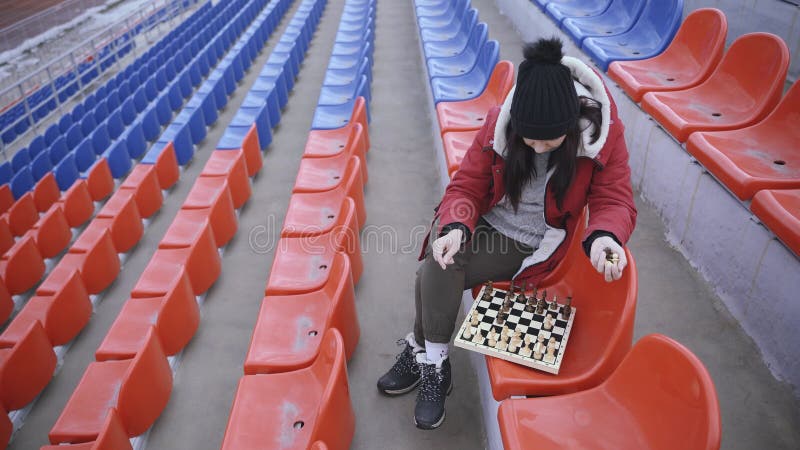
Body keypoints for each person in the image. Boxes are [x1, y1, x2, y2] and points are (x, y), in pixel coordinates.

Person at [377, 37, 637, 430]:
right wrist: (454, 226)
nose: (536, 148)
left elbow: (614, 199)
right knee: (440, 256)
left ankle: (425, 356)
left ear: (571, 124)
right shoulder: (501, 121)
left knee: (432, 271)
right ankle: (433, 361)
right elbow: (466, 186)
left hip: (530, 241)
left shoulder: (603, 134)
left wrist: (605, 237)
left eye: (549, 140)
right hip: (486, 222)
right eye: (528, 139)